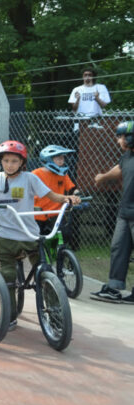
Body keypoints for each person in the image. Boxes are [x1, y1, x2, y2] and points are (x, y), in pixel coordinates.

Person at [0, 141, 80, 328]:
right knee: (7, 275)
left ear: (22, 162)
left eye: (14, 161)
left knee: (45, 271)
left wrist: (67, 198)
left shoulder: (30, 178)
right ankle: (11, 315)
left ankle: (55, 314)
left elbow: (51, 196)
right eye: (6, 160)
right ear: (1, 161)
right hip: (5, 235)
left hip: (30, 234)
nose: (10, 164)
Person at [90, 121, 134, 304]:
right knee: (118, 249)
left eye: (121, 136)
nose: (118, 140)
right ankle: (114, 288)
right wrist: (103, 177)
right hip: (125, 212)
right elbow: (119, 169)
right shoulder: (127, 156)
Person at [32, 145, 80, 243]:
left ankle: (60, 256)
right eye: (58, 158)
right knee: (37, 242)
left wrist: (78, 195)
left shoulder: (62, 175)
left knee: (64, 235)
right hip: (38, 213)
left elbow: (72, 189)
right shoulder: (36, 174)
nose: (62, 161)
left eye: (62, 158)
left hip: (56, 213)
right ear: (48, 159)